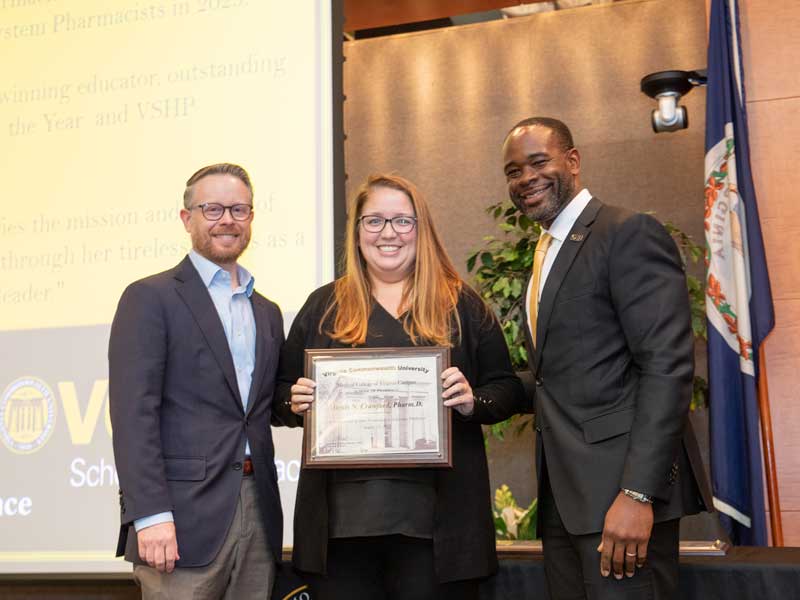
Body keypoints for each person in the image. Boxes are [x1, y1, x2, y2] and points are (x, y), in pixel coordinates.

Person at [272, 173, 525, 600]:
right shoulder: (322, 307)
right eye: (374, 221)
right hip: (340, 532)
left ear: (420, 229)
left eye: (402, 221)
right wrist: (293, 400)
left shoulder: (462, 305)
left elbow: (507, 388)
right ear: (356, 232)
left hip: (437, 529)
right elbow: (278, 397)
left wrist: (471, 401)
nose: (388, 233)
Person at [501, 117, 712, 600]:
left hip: (622, 499)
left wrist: (639, 494)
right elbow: (561, 378)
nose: (526, 179)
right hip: (565, 501)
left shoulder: (625, 233)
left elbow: (666, 368)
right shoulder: (544, 251)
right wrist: (478, 397)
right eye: (514, 171)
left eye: (538, 162)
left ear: (572, 161)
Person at [109, 163, 284, 599]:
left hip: (257, 511)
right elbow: (134, 417)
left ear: (251, 219)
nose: (228, 219)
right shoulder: (150, 298)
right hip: (181, 521)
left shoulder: (267, 311)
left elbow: (263, 408)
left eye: (239, 209)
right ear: (187, 219)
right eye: (213, 209)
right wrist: (149, 515)